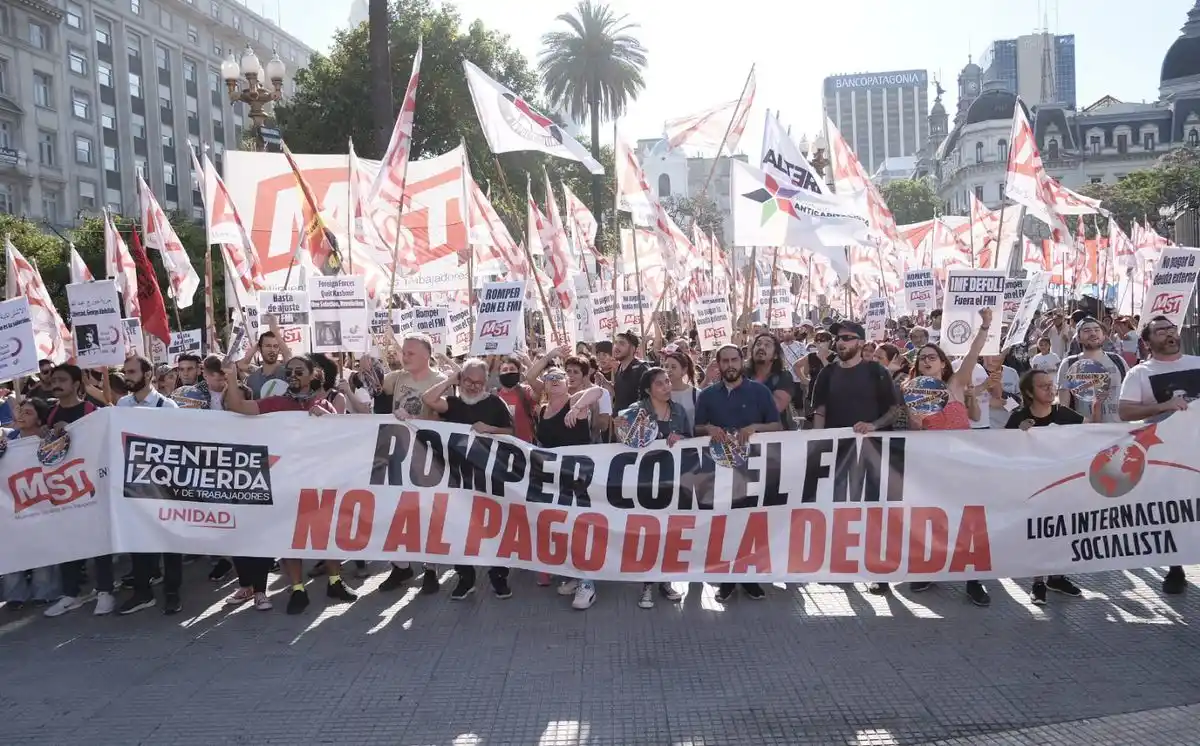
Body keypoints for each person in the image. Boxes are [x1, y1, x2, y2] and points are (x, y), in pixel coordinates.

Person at [222, 355, 359, 614]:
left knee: (325, 532)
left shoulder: (325, 405)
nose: (293, 375)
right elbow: (237, 406)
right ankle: (298, 589)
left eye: (299, 371)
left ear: (312, 376)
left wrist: (328, 421)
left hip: (319, 480)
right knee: (288, 535)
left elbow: (341, 438)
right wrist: (230, 376)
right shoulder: (275, 403)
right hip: (285, 481)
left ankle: (335, 581)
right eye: (289, 371)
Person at [905, 308, 992, 606]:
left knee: (969, 522)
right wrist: (915, 424)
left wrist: (985, 326)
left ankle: (973, 579)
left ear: (943, 363)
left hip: (964, 464)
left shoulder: (955, 386)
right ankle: (931, 569)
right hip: (932, 467)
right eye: (922, 357)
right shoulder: (911, 392)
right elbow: (914, 439)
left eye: (932, 356)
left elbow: (973, 353)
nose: (926, 360)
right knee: (935, 519)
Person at [1118, 316, 1200, 596]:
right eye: (1161, 330)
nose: (1169, 333)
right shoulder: (1139, 373)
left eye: (1171, 329)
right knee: (1174, 510)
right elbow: (1126, 412)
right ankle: (1175, 567)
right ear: (1147, 341)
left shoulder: (1197, 363)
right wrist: (1163, 406)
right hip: (1166, 454)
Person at [693, 344, 782, 603]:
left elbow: (777, 426)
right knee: (725, 525)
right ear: (718, 364)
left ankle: (750, 578)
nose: (730, 365)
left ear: (742, 361)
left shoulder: (760, 392)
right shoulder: (707, 395)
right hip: (718, 472)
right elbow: (696, 429)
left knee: (751, 523)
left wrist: (755, 427)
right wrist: (708, 428)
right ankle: (728, 579)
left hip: (753, 470)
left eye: (734, 359)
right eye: (725, 361)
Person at [422, 358, 515, 600]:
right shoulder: (451, 403)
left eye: (479, 383)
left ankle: (499, 575)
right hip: (455, 477)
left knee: (493, 526)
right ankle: (465, 577)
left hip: (489, 476)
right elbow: (428, 400)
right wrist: (450, 380)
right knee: (458, 527)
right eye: (468, 381)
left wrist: (490, 429)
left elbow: (510, 431)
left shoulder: (495, 403)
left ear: (486, 383)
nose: (473, 387)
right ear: (461, 380)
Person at [1005, 369, 1088, 605]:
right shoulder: (1018, 417)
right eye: (1043, 386)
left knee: (1062, 530)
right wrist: (1020, 434)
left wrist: (1095, 407)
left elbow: (1093, 432)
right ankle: (1038, 582)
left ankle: (1057, 577)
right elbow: (1003, 450)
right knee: (1039, 532)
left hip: (1063, 486)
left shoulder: (1063, 413)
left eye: (1051, 385)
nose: (1050, 389)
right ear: (1029, 392)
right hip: (1032, 487)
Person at [377, 334, 447, 595]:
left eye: (410, 353)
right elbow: (378, 397)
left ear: (427, 355)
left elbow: (445, 418)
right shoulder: (397, 379)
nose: (404, 357)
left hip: (427, 455)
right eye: (403, 353)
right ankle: (401, 565)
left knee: (428, 513)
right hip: (398, 452)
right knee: (396, 510)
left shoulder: (439, 381)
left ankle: (431, 568)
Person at [43, 365, 114, 617]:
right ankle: (70, 593)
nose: (56, 384)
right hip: (63, 488)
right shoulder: (50, 415)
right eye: (54, 380)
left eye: (62, 380)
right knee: (67, 540)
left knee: (97, 540)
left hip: (91, 486)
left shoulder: (89, 411)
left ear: (76, 384)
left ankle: (105, 591)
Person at [529, 367, 603, 609]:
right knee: (564, 528)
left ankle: (587, 583)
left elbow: (598, 390)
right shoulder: (541, 410)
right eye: (549, 379)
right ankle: (576, 574)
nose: (554, 381)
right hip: (553, 480)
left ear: (567, 382)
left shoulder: (576, 402)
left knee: (580, 528)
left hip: (579, 478)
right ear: (545, 386)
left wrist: (577, 407)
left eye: (559, 377)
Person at [618, 367, 690, 610]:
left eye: (668, 381)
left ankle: (665, 581)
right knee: (649, 534)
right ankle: (647, 584)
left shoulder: (679, 411)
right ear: (648, 390)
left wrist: (682, 439)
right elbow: (622, 429)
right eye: (660, 384)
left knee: (669, 534)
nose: (667, 386)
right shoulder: (637, 411)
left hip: (672, 483)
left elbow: (691, 442)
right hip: (644, 483)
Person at [1, 398, 59, 608]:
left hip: (41, 500)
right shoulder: (7, 440)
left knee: (42, 547)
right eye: (20, 411)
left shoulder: (49, 441)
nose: (22, 416)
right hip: (11, 503)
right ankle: (15, 594)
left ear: (40, 419)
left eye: (29, 412)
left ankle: (45, 591)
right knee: (11, 549)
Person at [810, 321, 898, 433]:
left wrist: (873, 426)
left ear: (861, 342)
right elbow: (820, 412)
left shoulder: (877, 371)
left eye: (847, 338)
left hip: (871, 445)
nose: (840, 342)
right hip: (836, 446)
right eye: (838, 338)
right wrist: (818, 439)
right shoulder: (827, 373)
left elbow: (893, 411)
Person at [1056, 317, 1127, 424]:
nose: (1093, 333)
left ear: (1103, 336)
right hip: (1086, 432)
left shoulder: (1118, 360)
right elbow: (1064, 407)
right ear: (1078, 338)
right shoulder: (1069, 364)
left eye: (1097, 330)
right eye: (1086, 331)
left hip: (1118, 430)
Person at [746, 332, 796, 430]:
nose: (761, 347)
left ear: (776, 355)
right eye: (758, 344)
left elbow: (774, 409)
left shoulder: (784, 376)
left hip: (775, 439)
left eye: (767, 345)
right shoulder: (742, 375)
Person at [493, 356, 537, 443]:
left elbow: (538, 386)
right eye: (504, 370)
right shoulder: (494, 395)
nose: (508, 372)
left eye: (512, 369)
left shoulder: (526, 391)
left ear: (519, 373)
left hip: (525, 446)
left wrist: (528, 362)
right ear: (499, 375)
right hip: (502, 446)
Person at [246, 322, 290, 399]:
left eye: (275, 346)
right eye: (268, 346)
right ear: (259, 349)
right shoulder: (252, 379)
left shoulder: (287, 372)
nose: (272, 350)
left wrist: (275, 331)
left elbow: (287, 355)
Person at [661, 350, 700, 434]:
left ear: (684, 370)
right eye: (666, 366)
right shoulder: (660, 393)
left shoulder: (696, 394)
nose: (669, 370)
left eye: (673, 367)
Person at [611, 332, 650, 412]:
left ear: (632, 348)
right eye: (615, 343)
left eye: (621, 343)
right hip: (619, 422)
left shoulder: (641, 368)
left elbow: (649, 399)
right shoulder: (619, 368)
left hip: (635, 421)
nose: (616, 347)